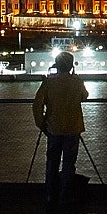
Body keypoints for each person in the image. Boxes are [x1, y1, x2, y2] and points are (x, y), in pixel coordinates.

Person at [32, 51, 88, 204]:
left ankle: (51, 194)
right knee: (69, 163)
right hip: (73, 127)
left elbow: (37, 105)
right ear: (71, 66)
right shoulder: (77, 81)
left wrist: (41, 123)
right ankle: (65, 195)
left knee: (52, 162)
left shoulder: (49, 82)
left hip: (53, 128)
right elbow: (85, 96)